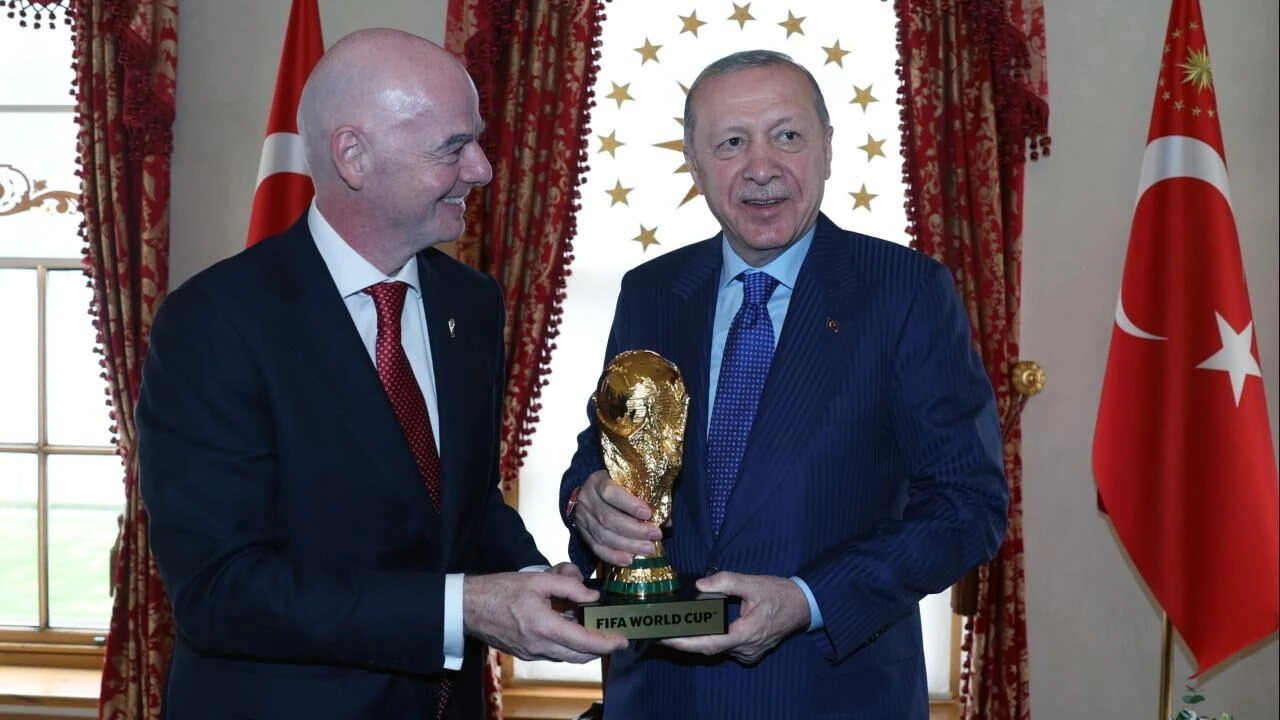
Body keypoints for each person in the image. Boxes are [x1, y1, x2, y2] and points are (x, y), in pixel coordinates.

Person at [137, 28, 625, 720]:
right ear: (353, 157)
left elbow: (465, 503)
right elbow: (222, 589)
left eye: (477, 142)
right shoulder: (215, 322)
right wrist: (466, 607)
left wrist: (535, 581)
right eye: (453, 147)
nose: (482, 169)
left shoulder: (470, 302)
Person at [559, 50, 1009, 718]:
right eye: (731, 143)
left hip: (830, 694)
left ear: (827, 149)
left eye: (787, 135)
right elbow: (604, 449)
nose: (761, 167)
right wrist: (586, 500)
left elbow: (967, 506)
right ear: (694, 164)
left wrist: (808, 599)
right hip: (655, 694)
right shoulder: (651, 291)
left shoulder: (906, 292)